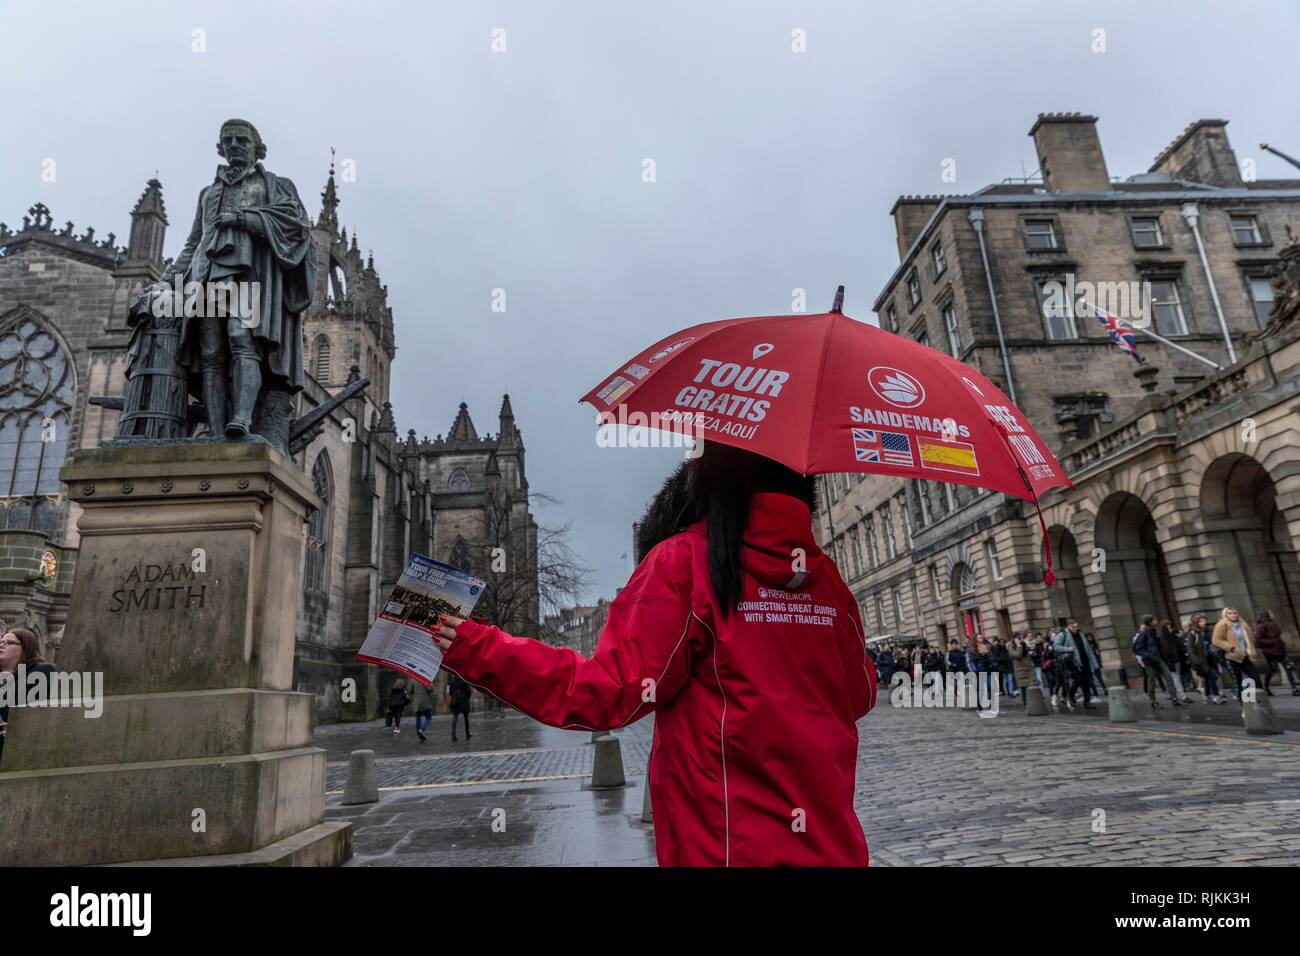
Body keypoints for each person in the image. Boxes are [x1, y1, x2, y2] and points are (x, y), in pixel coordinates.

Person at [432, 442, 876, 866]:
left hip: (728, 851)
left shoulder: (684, 564)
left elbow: (603, 691)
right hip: (833, 848)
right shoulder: (828, 583)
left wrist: (472, 644)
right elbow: (859, 694)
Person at [0, 627, 54, 767]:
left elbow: (41, 710)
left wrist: (17, 724)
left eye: (9, 642)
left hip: (19, 747)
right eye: (1, 641)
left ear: (25, 648)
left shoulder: (41, 670)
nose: (2, 644)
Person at [1134, 614, 1185, 708]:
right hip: (1149, 661)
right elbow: (1137, 648)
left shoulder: (1154, 632)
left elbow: (1159, 646)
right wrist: (1148, 655)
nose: (1156, 621)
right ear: (1150, 622)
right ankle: (1153, 701)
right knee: (1152, 681)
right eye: (1154, 620)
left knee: (1169, 677)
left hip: (1159, 659)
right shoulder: (1144, 633)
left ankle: (1174, 699)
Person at [1212, 607, 1262, 701]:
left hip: (1245, 656)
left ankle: (1253, 699)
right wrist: (1231, 647)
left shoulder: (1242, 623)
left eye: (1235, 613)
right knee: (1238, 681)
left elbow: (1249, 638)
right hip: (1232, 657)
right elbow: (1216, 640)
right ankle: (1243, 704)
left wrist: (1250, 648)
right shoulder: (1222, 624)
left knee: (1255, 678)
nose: (1233, 615)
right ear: (1225, 615)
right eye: (1230, 613)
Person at [1254, 610, 1299, 696]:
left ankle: (1294, 689)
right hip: (1270, 652)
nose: (1273, 614)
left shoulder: (1273, 624)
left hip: (1280, 650)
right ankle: (1266, 687)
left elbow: (1277, 636)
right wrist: (1271, 642)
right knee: (1272, 670)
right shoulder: (1260, 626)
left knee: (1288, 668)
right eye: (1271, 613)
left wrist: (1281, 643)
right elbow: (1257, 641)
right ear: (1266, 615)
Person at [1186, 614, 1225, 704]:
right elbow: (1190, 650)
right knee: (1213, 676)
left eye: (1204, 621)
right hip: (1201, 661)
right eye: (1201, 621)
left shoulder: (1205, 632)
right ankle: (1215, 696)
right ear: (1196, 623)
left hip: (1210, 658)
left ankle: (1207, 695)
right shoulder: (1192, 634)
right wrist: (1197, 661)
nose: (1204, 623)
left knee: (1208, 678)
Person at [1159, 620, 1194, 704]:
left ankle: (1176, 696)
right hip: (1171, 661)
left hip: (1176, 660)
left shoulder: (1173, 637)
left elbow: (1180, 647)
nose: (1170, 630)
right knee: (1176, 678)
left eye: (1170, 627)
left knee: (1176, 678)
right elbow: (1164, 652)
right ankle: (1182, 696)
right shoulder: (1163, 640)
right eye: (1168, 628)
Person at [1009, 633, 1036, 707]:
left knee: (1030, 686)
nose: (1020, 640)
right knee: (1023, 688)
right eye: (1018, 638)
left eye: (1021, 638)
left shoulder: (1024, 646)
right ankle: (1026, 705)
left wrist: (1031, 653)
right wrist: (1019, 646)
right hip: (1020, 671)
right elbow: (1017, 655)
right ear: (1014, 639)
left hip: (1028, 669)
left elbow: (1028, 655)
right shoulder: (1011, 647)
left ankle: (1032, 703)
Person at [448, 673, 473, 741]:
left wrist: (455, 695)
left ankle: (453, 734)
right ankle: (467, 734)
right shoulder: (464, 680)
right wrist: (466, 698)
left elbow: (450, 692)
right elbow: (469, 691)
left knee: (455, 718)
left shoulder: (453, 681)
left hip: (455, 701)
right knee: (466, 719)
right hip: (464, 701)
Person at [1085, 631, 1107, 698]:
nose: (1090, 638)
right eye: (1088, 637)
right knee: (1092, 679)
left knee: (1099, 677)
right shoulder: (1088, 645)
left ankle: (1103, 690)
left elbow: (1097, 654)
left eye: (1090, 637)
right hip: (1090, 664)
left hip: (1095, 663)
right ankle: (1096, 692)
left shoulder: (1093, 644)